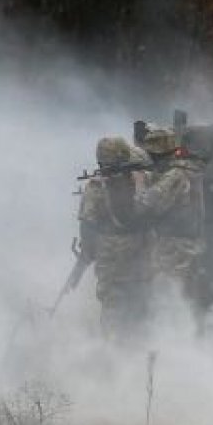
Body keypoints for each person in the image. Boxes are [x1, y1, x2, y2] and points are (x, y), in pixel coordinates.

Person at [77, 137, 153, 340]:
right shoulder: (141, 178)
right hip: (141, 249)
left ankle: (112, 351)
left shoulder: (96, 186)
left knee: (112, 303)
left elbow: (87, 222)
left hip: (111, 253)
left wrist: (87, 251)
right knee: (139, 298)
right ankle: (139, 345)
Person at [135, 126, 207, 305]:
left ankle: (172, 331)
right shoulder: (188, 168)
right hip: (186, 244)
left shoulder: (176, 175)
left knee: (168, 298)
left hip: (174, 247)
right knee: (185, 296)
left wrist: (139, 182)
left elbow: (145, 203)